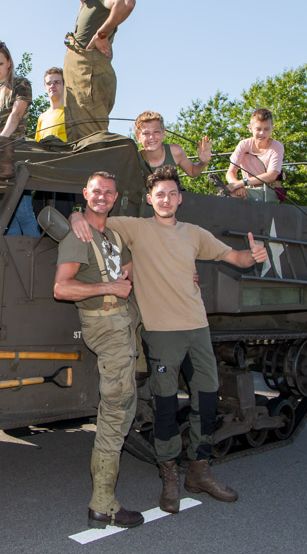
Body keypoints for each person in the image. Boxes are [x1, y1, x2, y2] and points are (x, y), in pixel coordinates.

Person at [70, 165, 267, 513]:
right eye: (160, 194)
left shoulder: (194, 234)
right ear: (150, 199)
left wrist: (252, 256)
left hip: (197, 328)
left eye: (172, 194)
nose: (166, 200)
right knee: (165, 407)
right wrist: (75, 216)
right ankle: (170, 477)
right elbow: (96, 215)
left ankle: (199, 471)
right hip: (161, 333)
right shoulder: (136, 227)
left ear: (180, 199)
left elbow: (233, 257)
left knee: (207, 400)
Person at [53, 171, 143, 529]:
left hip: (123, 322)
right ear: (85, 194)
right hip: (105, 325)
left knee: (124, 404)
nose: (102, 196)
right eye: (96, 191)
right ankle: (103, 504)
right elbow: (62, 288)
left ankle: (104, 502)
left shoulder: (114, 235)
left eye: (108, 192)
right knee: (117, 411)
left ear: (115, 197)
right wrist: (108, 287)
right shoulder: (78, 236)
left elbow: (132, 273)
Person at [57, 0, 135, 142]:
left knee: (93, 141)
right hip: (77, 88)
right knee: (79, 144)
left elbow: (125, 2)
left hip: (89, 85)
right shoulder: (85, 5)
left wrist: (102, 34)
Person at [0, 42, 38, 236]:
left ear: (9, 63)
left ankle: (36, 255)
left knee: (23, 213)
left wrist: (1, 141)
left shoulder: (21, 84)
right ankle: (12, 256)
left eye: (0, 63)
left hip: (14, 152)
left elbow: (16, 115)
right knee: (5, 219)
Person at [225, 108, 284, 202]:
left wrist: (241, 183)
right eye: (258, 129)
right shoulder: (244, 145)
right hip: (247, 188)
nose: (262, 133)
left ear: (272, 127)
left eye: (266, 129)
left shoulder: (277, 147)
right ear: (250, 128)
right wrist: (237, 186)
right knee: (225, 194)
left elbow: (271, 175)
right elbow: (230, 172)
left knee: (232, 196)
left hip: (269, 190)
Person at [135, 111, 212, 181]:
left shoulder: (175, 151)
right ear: (138, 138)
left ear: (163, 133)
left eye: (156, 132)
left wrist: (203, 162)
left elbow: (192, 172)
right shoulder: (134, 160)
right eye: (146, 133)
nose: (151, 137)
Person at [35, 67, 68, 142]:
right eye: (48, 83)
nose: (52, 86)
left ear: (64, 85)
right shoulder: (42, 118)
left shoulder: (71, 113)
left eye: (57, 82)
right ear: (45, 88)